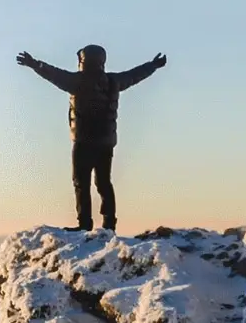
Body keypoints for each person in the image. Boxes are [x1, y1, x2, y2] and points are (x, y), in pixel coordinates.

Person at [16, 45, 167, 232]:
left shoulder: (76, 81)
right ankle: (109, 223)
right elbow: (135, 75)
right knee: (104, 182)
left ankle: (84, 223)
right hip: (106, 142)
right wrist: (152, 65)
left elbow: (54, 74)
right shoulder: (114, 81)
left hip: (83, 141)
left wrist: (34, 64)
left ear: (83, 61)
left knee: (81, 182)